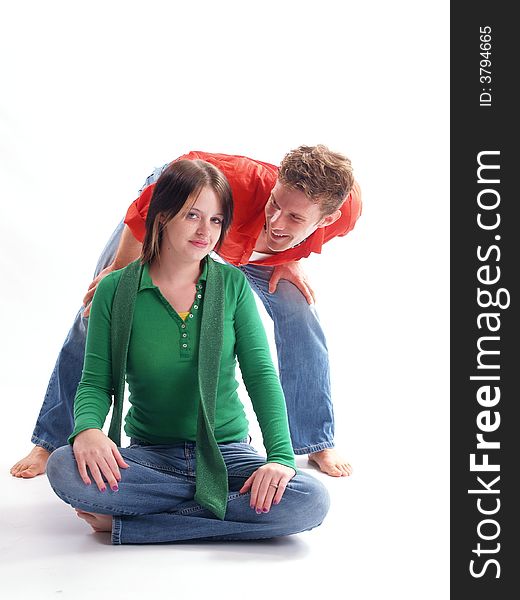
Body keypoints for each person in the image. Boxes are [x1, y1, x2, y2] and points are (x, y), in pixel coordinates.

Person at [11, 145, 361, 480]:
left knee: (300, 311)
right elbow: (153, 200)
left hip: (253, 248)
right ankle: (51, 439)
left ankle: (316, 440)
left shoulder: (346, 213)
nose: (277, 219)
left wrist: (290, 257)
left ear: (329, 217)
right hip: (193, 213)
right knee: (97, 309)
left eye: (295, 217)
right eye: (274, 203)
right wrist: (120, 270)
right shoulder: (239, 182)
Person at [45, 159, 329, 543]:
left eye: (216, 220)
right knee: (64, 467)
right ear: (161, 215)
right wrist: (89, 430)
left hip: (229, 455)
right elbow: (96, 381)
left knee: (309, 499)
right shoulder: (117, 291)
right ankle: (220, 511)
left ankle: (135, 525)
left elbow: (261, 377)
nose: (205, 231)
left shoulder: (231, 286)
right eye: (192, 215)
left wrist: (279, 459)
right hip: (152, 457)